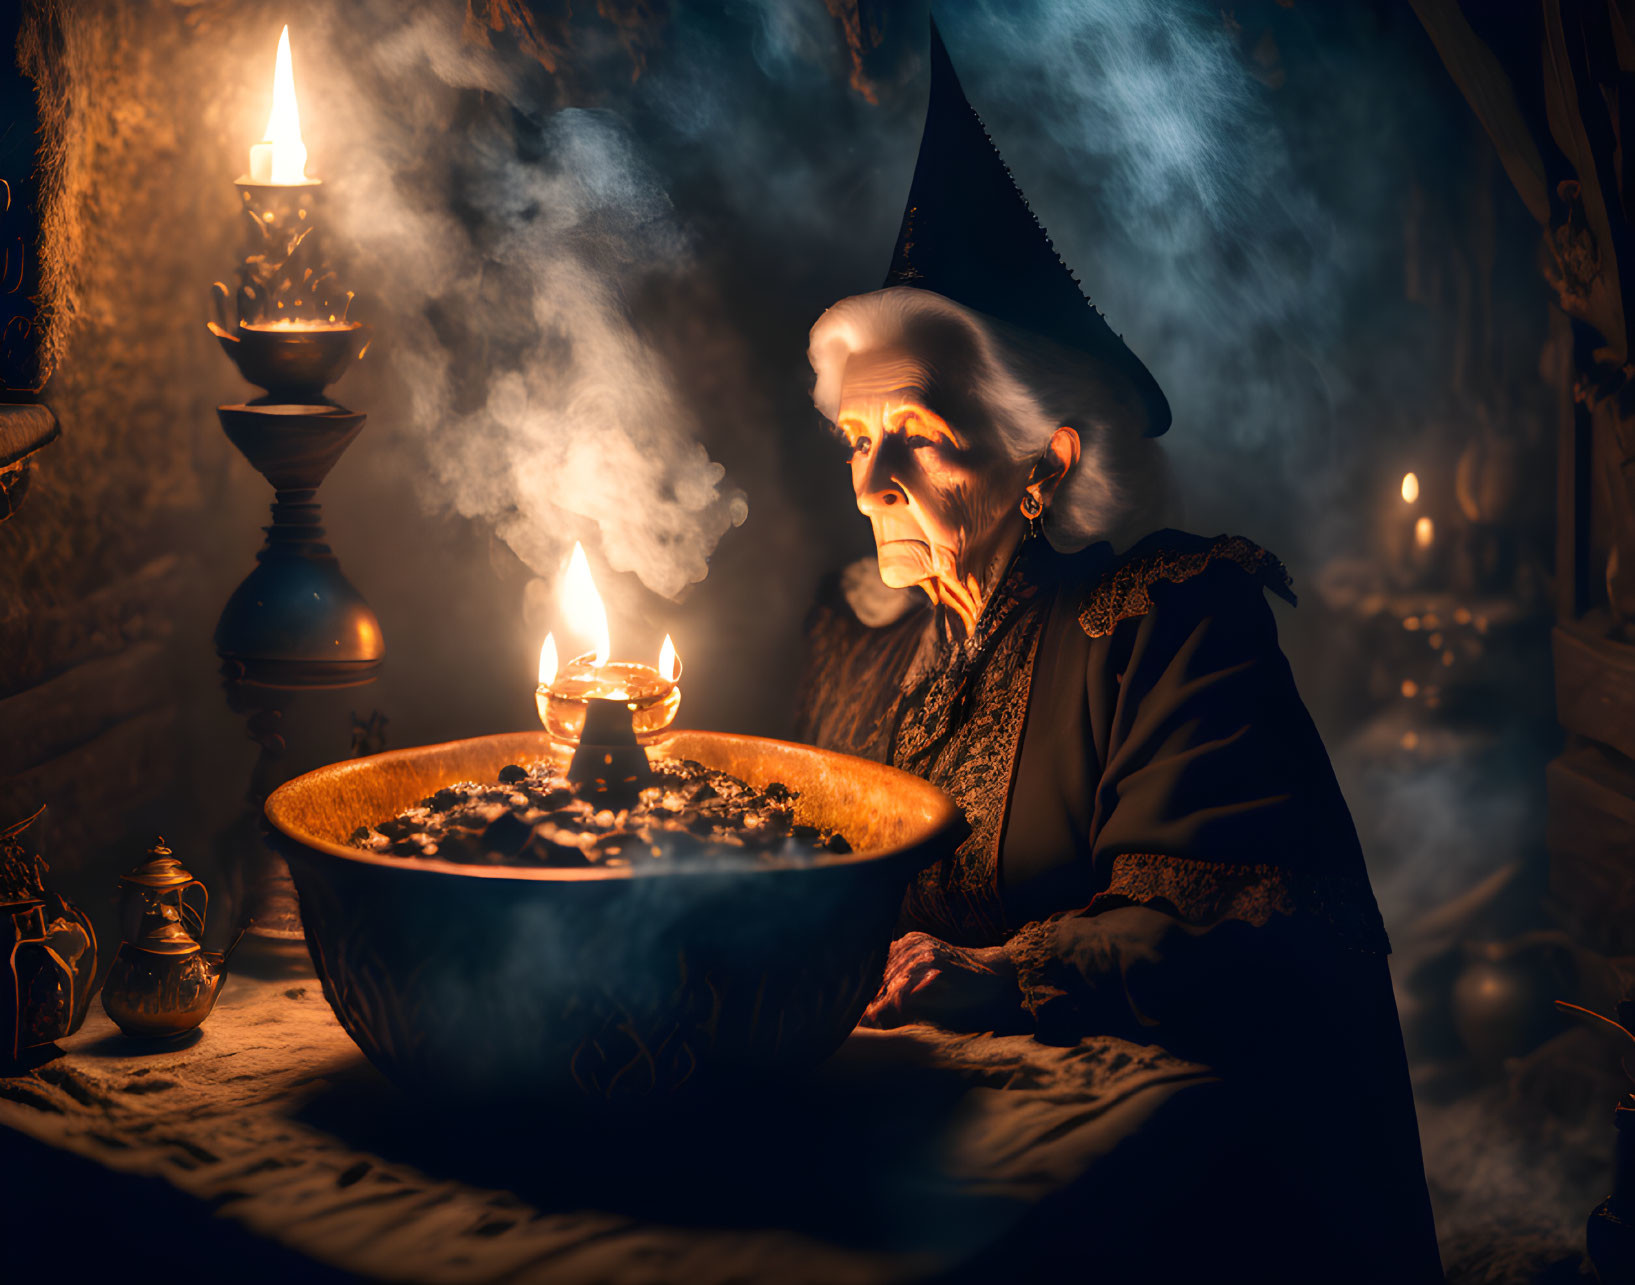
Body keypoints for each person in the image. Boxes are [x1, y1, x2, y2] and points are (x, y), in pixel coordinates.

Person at [794, 22, 1442, 1282]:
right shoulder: (859, 642)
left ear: (1051, 455)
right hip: (920, 1139)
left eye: (915, 434)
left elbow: (1229, 928)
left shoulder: (1171, 619)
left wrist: (997, 972)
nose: (869, 477)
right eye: (854, 436)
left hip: (1160, 1197)